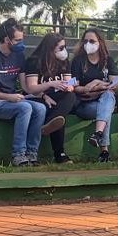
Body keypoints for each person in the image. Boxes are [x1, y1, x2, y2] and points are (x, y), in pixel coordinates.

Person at [0, 19, 63, 167]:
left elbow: (26, 87)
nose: (21, 43)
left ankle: (32, 154)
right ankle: (18, 155)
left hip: (11, 100)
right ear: (7, 40)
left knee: (40, 108)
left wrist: (43, 95)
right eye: (18, 40)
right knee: (25, 108)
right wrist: (9, 97)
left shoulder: (19, 56)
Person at [23, 33, 77, 164]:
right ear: (50, 48)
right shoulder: (34, 61)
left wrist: (69, 86)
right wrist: (49, 85)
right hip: (39, 96)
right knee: (58, 114)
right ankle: (60, 154)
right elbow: (31, 88)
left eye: (64, 47)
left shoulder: (64, 61)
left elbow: (69, 82)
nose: (64, 50)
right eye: (61, 47)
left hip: (58, 96)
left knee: (70, 97)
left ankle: (50, 123)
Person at [70, 28, 118, 162]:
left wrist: (97, 84)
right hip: (84, 104)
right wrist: (87, 87)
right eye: (85, 41)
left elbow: (115, 85)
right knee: (106, 110)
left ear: (100, 42)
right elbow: (73, 86)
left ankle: (98, 136)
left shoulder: (108, 60)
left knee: (109, 96)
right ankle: (103, 150)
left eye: (92, 41)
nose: (88, 44)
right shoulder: (77, 61)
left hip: (104, 99)